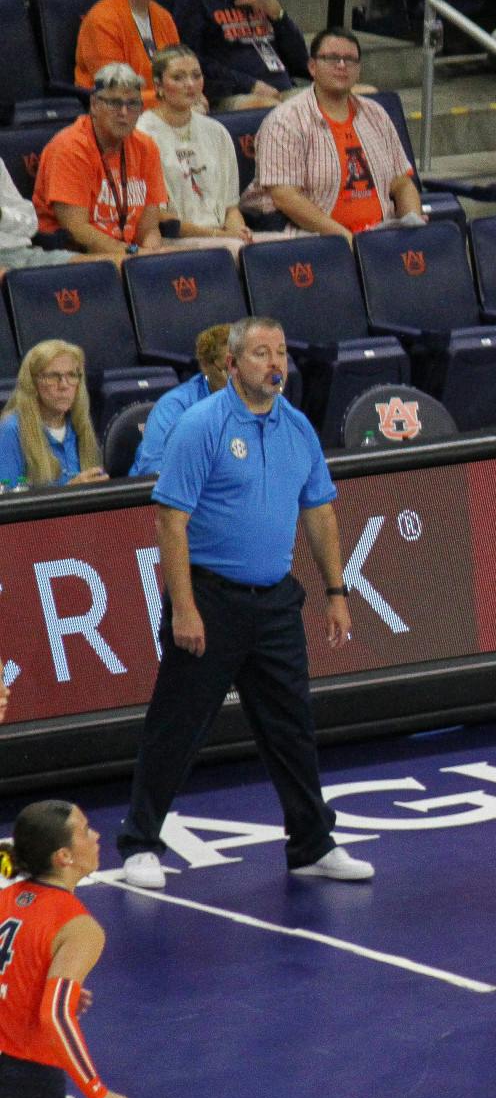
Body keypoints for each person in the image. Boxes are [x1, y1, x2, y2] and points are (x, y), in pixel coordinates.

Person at [117, 316, 374, 890]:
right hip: (209, 598)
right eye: (260, 354)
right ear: (232, 365)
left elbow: (319, 510)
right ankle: (139, 843)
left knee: (292, 727)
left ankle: (312, 844)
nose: (274, 363)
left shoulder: (298, 427)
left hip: (276, 602)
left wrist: (336, 591)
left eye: (280, 352)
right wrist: (183, 609)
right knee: (178, 724)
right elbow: (170, 521)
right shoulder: (200, 426)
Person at [0, 801, 131, 1098]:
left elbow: (14, 973)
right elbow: (55, 1016)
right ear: (63, 857)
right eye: (84, 830)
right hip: (17, 1082)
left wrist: (35, 985)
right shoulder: (78, 926)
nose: (96, 836)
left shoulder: (4, 900)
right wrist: (99, 1092)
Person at [245, 29, 424, 239]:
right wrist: (347, 239)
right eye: (332, 58)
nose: (341, 65)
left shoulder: (376, 114)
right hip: (314, 241)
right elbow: (286, 197)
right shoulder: (285, 121)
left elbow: (402, 182)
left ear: (359, 70)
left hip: (379, 236)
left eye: (350, 59)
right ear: (312, 67)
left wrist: (413, 225)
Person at [33, 64, 172, 260]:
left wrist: (151, 256)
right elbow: (77, 229)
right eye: (114, 103)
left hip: (127, 253)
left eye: (132, 104)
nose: (124, 112)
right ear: (95, 105)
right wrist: (134, 255)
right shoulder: (69, 148)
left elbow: (148, 228)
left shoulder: (146, 147)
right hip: (74, 253)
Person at [138, 47, 253, 247]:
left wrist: (238, 231)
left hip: (221, 236)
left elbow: (230, 208)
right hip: (172, 239)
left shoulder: (217, 132)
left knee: (279, 249)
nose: (190, 84)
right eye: (178, 78)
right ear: (158, 85)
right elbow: (159, 218)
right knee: (236, 250)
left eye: (196, 76)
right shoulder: (142, 134)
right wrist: (219, 236)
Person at [0, 342, 109, 489]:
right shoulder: (11, 429)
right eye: (52, 376)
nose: (64, 385)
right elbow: (8, 503)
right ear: (32, 383)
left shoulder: (80, 423)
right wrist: (68, 493)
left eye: (71, 375)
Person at [131, 322, 231, 477]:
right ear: (205, 366)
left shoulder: (261, 401)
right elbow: (153, 471)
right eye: (227, 370)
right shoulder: (174, 406)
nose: (237, 380)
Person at [171, 0, 307, 109]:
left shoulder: (265, 2)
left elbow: (301, 63)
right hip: (232, 94)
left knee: (315, 102)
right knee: (273, 110)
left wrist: (279, 16)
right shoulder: (196, 4)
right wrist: (248, 85)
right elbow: (190, 57)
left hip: (284, 90)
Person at [74, 0, 182, 106]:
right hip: (114, 114)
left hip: (164, 110)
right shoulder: (102, 19)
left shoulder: (164, 17)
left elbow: (180, 73)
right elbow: (116, 92)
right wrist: (174, 98)